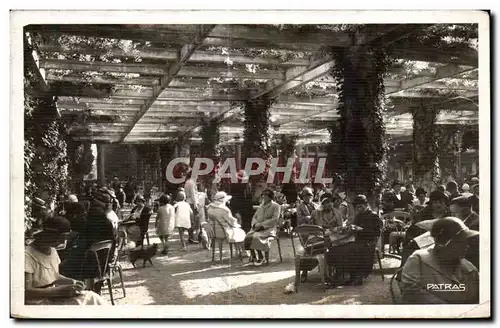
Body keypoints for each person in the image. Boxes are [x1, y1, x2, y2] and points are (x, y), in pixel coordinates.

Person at [25, 216, 107, 305]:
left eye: (65, 238)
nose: (63, 242)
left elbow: (53, 276)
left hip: (52, 296)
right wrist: (58, 291)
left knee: (93, 298)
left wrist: (73, 282)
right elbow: (27, 292)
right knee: (87, 303)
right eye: (61, 238)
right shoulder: (27, 255)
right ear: (49, 235)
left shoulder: (52, 250)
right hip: (37, 302)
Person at [400, 217, 479, 304]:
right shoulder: (419, 260)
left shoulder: (469, 269)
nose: (467, 246)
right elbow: (411, 292)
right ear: (443, 242)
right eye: (461, 242)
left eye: (466, 242)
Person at [326, 195, 383, 286]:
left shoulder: (374, 216)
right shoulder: (358, 215)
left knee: (352, 249)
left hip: (369, 243)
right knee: (336, 249)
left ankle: (357, 276)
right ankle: (341, 275)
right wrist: (348, 229)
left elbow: (377, 233)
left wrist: (362, 230)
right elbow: (354, 228)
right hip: (358, 241)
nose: (359, 208)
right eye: (357, 207)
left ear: (366, 205)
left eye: (361, 206)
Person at [244, 188, 281, 266]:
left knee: (256, 237)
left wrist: (262, 225)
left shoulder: (276, 206)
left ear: (270, 197)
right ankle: (253, 256)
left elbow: (275, 219)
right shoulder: (261, 205)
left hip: (269, 228)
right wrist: (255, 224)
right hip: (257, 228)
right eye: (263, 195)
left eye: (266, 195)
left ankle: (261, 257)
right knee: (248, 236)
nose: (263, 197)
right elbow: (255, 217)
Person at [450, 195, 479, 269]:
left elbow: (470, 252)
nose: (452, 216)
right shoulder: (466, 220)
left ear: (466, 211)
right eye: (451, 213)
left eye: (455, 213)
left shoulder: (475, 225)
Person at [184, 169, 200, 244]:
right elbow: (193, 194)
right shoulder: (191, 183)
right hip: (192, 203)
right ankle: (194, 237)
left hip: (188, 201)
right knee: (195, 220)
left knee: (190, 220)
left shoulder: (187, 182)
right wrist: (195, 204)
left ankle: (191, 236)